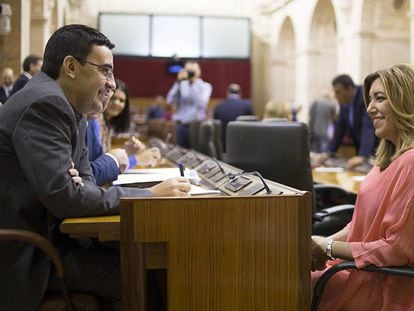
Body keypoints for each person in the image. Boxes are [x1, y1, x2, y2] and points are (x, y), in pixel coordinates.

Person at [0, 24, 190, 311]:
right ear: (71, 67)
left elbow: (84, 181)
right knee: (147, 270)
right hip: (28, 257)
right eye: (105, 70)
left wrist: (75, 188)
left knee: (148, 256)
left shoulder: (70, 107)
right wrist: (150, 195)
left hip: (51, 240)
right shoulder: (46, 103)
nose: (112, 84)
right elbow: (68, 197)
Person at [311, 63, 414, 310]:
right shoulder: (382, 163)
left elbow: (397, 248)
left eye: (380, 98)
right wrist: (320, 244)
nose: (369, 109)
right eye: (369, 100)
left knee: (278, 286)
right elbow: (360, 224)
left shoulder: (411, 162)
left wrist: (327, 247)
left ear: (404, 102)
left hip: (382, 285)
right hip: (357, 269)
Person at [315, 74, 377, 168]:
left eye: (338, 92)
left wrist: (363, 155)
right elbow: (340, 128)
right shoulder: (344, 102)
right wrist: (328, 153)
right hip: (361, 150)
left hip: (374, 151)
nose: (336, 96)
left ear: (349, 89)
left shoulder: (364, 96)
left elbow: (368, 126)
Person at [166, 60, 212, 148]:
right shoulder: (181, 84)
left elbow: (202, 103)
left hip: (197, 125)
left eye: (192, 70)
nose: (190, 73)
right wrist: (178, 82)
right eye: (188, 70)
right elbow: (170, 100)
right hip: (182, 126)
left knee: (197, 155)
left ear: (199, 72)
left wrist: (193, 84)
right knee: (182, 155)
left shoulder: (205, 86)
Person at [213, 83, 254, 151]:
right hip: (243, 145)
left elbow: (215, 126)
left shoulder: (219, 106)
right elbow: (253, 124)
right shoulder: (247, 105)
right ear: (240, 93)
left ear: (227, 93)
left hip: (224, 146)